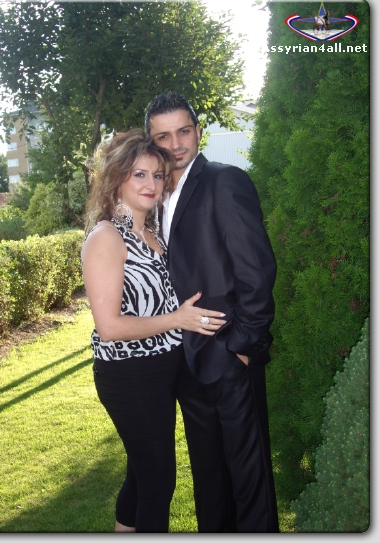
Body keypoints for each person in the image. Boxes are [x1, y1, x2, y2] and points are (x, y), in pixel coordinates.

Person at [145, 92, 279, 533]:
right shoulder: (153, 197)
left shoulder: (225, 181)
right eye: (163, 137)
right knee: (209, 479)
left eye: (184, 131)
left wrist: (243, 347)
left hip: (228, 356)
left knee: (249, 480)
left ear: (198, 132)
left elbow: (256, 271)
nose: (175, 144)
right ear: (151, 142)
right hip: (183, 363)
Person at [81, 128, 226, 533]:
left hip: (163, 370)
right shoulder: (108, 237)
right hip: (130, 375)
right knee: (158, 480)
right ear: (117, 178)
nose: (151, 184)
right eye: (139, 174)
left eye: (157, 175)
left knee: (142, 472)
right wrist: (178, 319)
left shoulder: (152, 231)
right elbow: (109, 327)